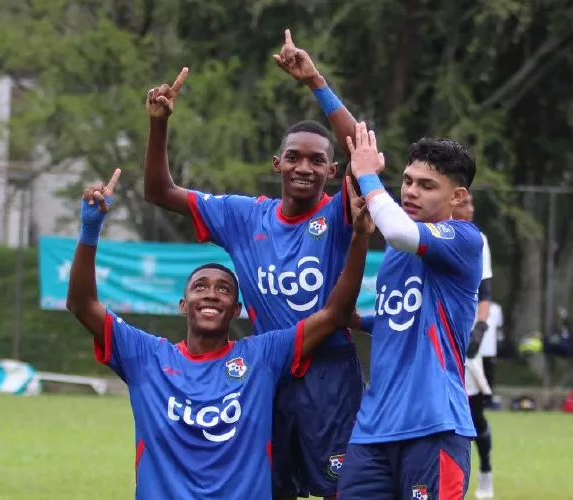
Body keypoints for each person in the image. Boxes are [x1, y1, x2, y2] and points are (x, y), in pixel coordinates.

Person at [66, 169, 374, 499]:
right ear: (184, 305)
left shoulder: (262, 357)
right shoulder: (147, 358)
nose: (212, 294)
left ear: (237, 309)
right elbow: (82, 304)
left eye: (224, 289)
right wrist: (89, 230)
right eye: (201, 287)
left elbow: (333, 314)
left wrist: (359, 239)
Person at [143, 63, 364, 500]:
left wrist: (315, 83)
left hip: (330, 373)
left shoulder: (339, 214)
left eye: (317, 160)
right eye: (294, 157)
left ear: (333, 171)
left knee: (342, 490)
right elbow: (158, 191)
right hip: (268, 373)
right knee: (269, 488)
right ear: (276, 163)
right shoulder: (243, 215)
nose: (304, 167)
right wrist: (158, 125)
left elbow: (364, 150)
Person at [338, 122, 482, 500]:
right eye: (407, 181)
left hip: (434, 426)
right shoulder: (395, 256)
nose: (411, 192)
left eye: (427, 185)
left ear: (457, 196)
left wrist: (369, 177)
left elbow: (399, 231)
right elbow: (401, 321)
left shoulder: (464, 240)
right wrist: (316, 83)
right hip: (374, 429)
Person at [454, 193, 495, 499]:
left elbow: (485, 293)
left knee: (474, 415)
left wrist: (479, 328)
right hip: (436, 340)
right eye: (464, 204)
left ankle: (485, 471)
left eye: (472, 206)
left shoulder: (478, 240)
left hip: (465, 341)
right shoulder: (427, 232)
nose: (469, 210)